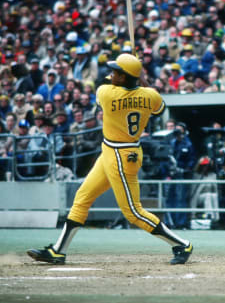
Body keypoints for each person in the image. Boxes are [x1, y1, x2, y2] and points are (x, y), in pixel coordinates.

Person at [27, 53, 193, 265]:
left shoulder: (106, 93)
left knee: (133, 212)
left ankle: (182, 244)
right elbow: (159, 110)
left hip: (122, 157)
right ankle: (58, 251)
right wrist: (143, 84)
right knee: (82, 197)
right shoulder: (151, 95)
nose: (111, 74)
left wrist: (136, 79)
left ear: (124, 77)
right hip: (113, 151)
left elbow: (105, 85)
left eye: (117, 72)